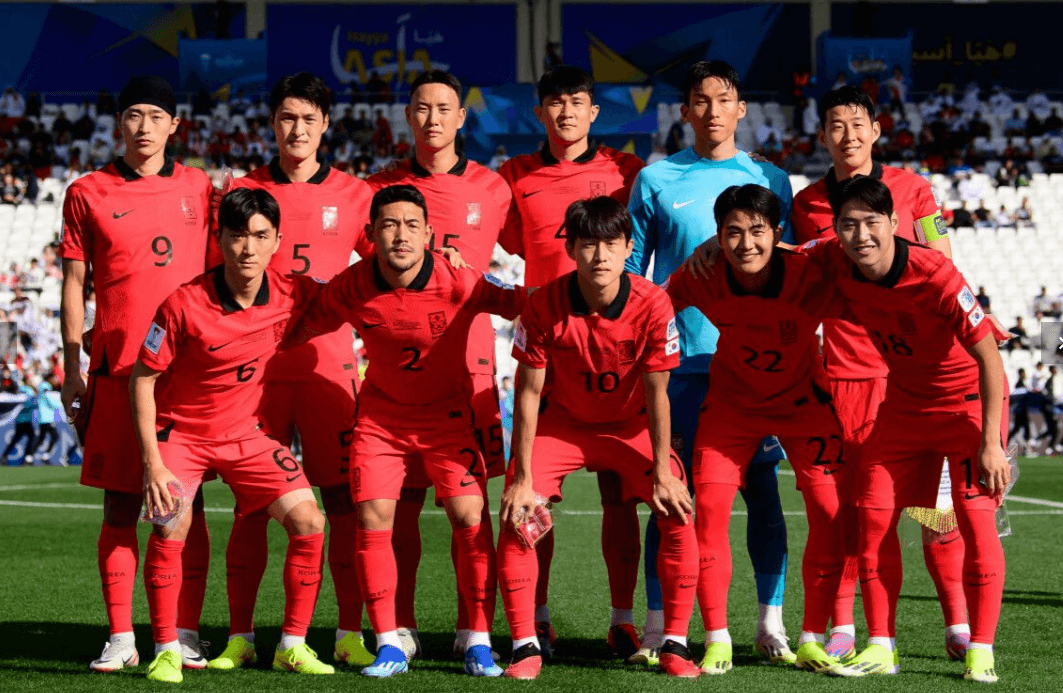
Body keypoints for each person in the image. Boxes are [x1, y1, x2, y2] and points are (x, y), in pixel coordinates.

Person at [291, 184, 525, 678]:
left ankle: (478, 640)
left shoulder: (458, 279)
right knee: (374, 517)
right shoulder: (352, 284)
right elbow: (298, 321)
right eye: (390, 225)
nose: (401, 235)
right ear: (371, 233)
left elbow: (519, 303)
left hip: (447, 416)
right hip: (382, 421)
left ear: (429, 234)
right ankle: (390, 643)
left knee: (469, 514)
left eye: (412, 225)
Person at [800, 177, 1009, 683]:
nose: (860, 235)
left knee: (969, 523)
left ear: (895, 225)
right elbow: (781, 251)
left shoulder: (936, 274)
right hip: (902, 410)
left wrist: (991, 443)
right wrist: (714, 249)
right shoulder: (834, 254)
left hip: (963, 412)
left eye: (872, 223)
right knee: (870, 522)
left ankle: (980, 647)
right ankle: (881, 646)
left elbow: (990, 359)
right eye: (848, 225)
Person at [789, 85, 970, 662]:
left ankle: (958, 623)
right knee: (854, 513)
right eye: (836, 125)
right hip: (844, 377)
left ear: (875, 130)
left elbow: (945, 260)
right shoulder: (808, 203)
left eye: (858, 124)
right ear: (822, 136)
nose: (848, 135)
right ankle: (845, 623)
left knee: (936, 513)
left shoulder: (915, 190)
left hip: (914, 380)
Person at [626, 59, 794, 664]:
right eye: (701, 100)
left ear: (741, 107)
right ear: (686, 110)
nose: (713, 110)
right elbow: (631, 274)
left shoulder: (772, 179)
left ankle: (769, 622)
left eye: (724, 99)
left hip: (755, 367)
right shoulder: (655, 179)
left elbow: (789, 267)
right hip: (680, 366)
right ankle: (655, 625)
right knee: (671, 495)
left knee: (763, 497)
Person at [131, 188, 334, 682]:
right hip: (182, 436)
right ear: (219, 239)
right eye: (238, 236)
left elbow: (358, 286)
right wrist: (154, 462)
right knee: (168, 524)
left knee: (310, 521)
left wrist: (438, 260)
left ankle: (292, 644)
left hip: (246, 435)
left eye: (260, 236)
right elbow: (143, 377)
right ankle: (165, 649)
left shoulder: (294, 291)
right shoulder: (182, 303)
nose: (248, 248)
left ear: (277, 241)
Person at [210, 72, 376, 671]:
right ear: (272, 124)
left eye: (308, 118)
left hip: (330, 371)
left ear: (326, 125)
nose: (297, 129)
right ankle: (239, 636)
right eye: (287, 117)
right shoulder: (242, 190)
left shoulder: (357, 195)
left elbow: (386, 271)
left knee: (342, 503)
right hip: (256, 376)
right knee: (251, 506)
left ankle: (348, 633)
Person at [497, 196, 699, 680]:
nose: (600, 256)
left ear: (629, 247)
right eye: (588, 244)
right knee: (518, 510)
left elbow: (658, 395)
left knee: (677, 508)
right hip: (564, 424)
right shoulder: (544, 302)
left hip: (630, 425)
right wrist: (522, 478)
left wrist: (666, 472)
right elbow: (527, 394)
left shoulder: (653, 302)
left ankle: (673, 641)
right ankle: (526, 640)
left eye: (611, 244)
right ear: (571, 248)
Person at [59, 75, 215, 672]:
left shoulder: (199, 187)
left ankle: (183, 631)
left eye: (156, 114)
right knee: (120, 507)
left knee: (187, 508)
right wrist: (71, 367)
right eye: (134, 114)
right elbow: (75, 284)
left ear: (175, 125)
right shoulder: (86, 191)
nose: (145, 125)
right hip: (115, 371)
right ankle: (122, 636)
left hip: (184, 375)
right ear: (118, 123)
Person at [498, 65, 647, 660]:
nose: (565, 112)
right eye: (554, 103)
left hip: (617, 354)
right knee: (533, 499)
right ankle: (536, 620)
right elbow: (511, 243)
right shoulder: (514, 177)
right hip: (546, 356)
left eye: (577, 102)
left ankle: (623, 620)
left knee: (620, 498)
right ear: (540, 113)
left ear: (594, 112)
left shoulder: (627, 172)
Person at [669, 184, 848, 674]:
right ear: (718, 238)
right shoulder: (703, 272)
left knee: (831, 510)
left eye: (757, 231)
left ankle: (813, 635)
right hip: (732, 406)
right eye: (732, 233)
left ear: (777, 232)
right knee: (706, 510)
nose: (746, 243)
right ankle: (718, 637)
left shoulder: (810, 273)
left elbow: (867, 287)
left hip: (802, 403)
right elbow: (656, 307)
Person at [366, 69, 514, 660]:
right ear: (409, 116)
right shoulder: (377, 190)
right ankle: (397, 626)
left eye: (443, 108)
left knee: (470, 509)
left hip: (471, 371)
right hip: (398, 380)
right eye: (421, 108)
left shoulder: (494, 189)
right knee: (396, 508)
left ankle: (472, 627)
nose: (432, 119)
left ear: (461, 117)